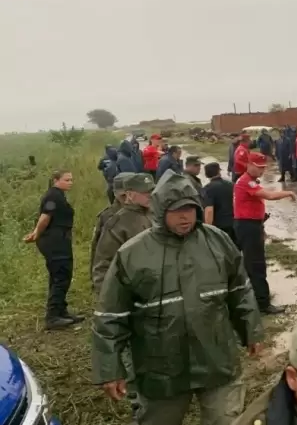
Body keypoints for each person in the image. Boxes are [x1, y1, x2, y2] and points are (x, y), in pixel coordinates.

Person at [92, 171, 263, 425]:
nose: (185, 216)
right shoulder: (132, 254)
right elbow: (111, 316)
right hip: (161, 369)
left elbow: (240, 289)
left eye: (190, 208)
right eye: (176, 210)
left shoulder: (217, 242)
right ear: (161, 211)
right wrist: (110, 369)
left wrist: (251, 330)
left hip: (217, 359)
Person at [235, 152, 296, 315]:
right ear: (249, 165)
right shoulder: (246, 182)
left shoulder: (248, 180)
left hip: (251, 225)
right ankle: (262, 303)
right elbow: (268, 195)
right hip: (248, 227)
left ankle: (253, 296)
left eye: (264, 168)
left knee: (252, 263)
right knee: (256, 265)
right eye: (259, 167)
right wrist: (287, 193)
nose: (262, 171)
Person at [23, 170, 82, 330]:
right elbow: (45, 217)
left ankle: (61, 311)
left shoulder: (58, 195)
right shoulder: (53, 196)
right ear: (56, 180)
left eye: (71, 179)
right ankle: (53, 317)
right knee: (61, 275)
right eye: (67, 179)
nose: (70, 182)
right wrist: (36, 234)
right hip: (54, 241)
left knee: (61, 274)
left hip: (59, 239)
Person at [91, 172, 155, 296]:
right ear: (129, 194)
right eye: (145, 192)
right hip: (131, 290)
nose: (150, 195)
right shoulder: (117, 223)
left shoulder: (156, 214)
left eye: (152, 191)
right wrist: (108, 296)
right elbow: (103, 263)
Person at [91, 172, 131, 283]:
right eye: (124, 195)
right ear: (116, 194)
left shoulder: (147, 211)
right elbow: (98, 251)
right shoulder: (108, 216)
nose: (128, 199)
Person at [204, 162, 238, 245]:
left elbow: (209, 211)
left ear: (206, 174)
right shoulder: (232, 185)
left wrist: (208, 230)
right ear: (219, 172)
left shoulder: (208, 189)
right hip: (236, 223)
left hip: (220, 227)